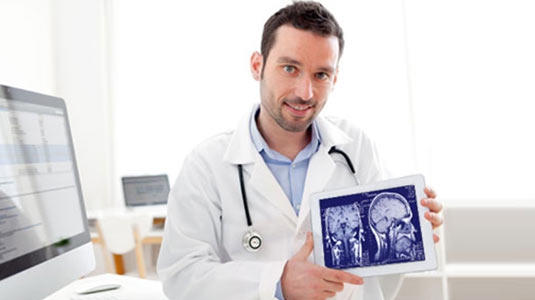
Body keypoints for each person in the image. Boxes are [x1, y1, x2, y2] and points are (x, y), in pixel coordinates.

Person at [157, 1, 443, 299]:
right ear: (258, 65)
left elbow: (381, 263)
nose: (304, 92)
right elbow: (181, 275)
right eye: (290, 68)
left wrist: (417, 230)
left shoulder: (355, 147)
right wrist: (277, 282)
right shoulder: (207, 164)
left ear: (335, 77)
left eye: (321, 75)